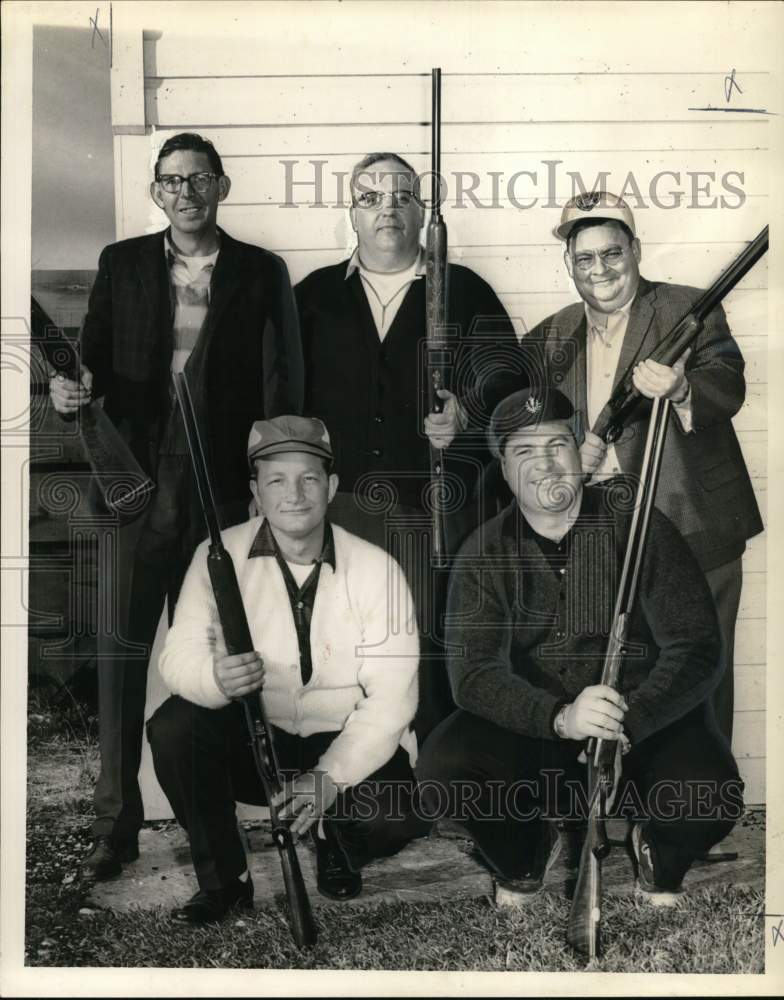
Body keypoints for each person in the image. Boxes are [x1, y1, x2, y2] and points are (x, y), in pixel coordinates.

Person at [48, 132, 304, 880]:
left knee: (234, 657)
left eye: (198, 180)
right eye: (170, 182)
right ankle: (115, 826)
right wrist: (69, 396)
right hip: (134, 488)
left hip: (222, 492)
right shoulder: (121, 263)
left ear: (221, 188)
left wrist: (269, 492)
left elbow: (282, 390)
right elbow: (88, 368)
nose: (184, 193)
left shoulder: (261, 271)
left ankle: (234, 825)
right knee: (122, 659)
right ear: (156, 193)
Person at [418, 388, 743, 908]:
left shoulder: (641, 529)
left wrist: (627, 721)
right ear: (503, 470)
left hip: (639, 727)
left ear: (580, 454)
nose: (546, 463)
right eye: (524, 452)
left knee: (710, 794)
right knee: (445, 768)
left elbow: (697, 647)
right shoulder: (482, 552)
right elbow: (473, 676)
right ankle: (525, 852)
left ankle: (658, 851)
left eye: (558, 445)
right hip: (539, 731)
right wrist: (560, 717)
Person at [147, 416, 427, 924]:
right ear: (255, 489)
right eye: (276, 480)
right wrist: (216, 679)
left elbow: (392, 699)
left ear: (332, 486)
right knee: (173, 728)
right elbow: (178, 657)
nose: (293, 494)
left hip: (339, 740)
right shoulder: (216, 556)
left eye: (309, 478)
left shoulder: (377, 568)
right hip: (257, 747)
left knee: (395, 816)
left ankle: (336, 838)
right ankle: (226, 881)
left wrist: (329, 777)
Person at [295, 152, 523, 735]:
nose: (386, 209)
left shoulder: (467, 291)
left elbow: (511, 389)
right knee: (344, 644)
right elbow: (283, 401)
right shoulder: (313, 297)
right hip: (340, 509)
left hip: (436, 507)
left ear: (422, 210)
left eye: (400, 195)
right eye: (370, 198)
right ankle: (358, 786)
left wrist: (465, 418)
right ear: (351, 213)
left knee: (437, 644)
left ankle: (440, 787)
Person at [524, 191, 763, 744]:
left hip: (692, 522)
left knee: (701, 669)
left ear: (636, 250)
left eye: (612, 253)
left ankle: (695, 813)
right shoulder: (549, 334)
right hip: (599, 536)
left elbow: (727, 383)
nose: (600, 269)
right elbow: (526, 426)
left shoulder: (689, 307)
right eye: (585, 259)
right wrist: (566, 458)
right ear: (569, 265)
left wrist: (682, 388)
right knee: (617, 671)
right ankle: (620, 802)